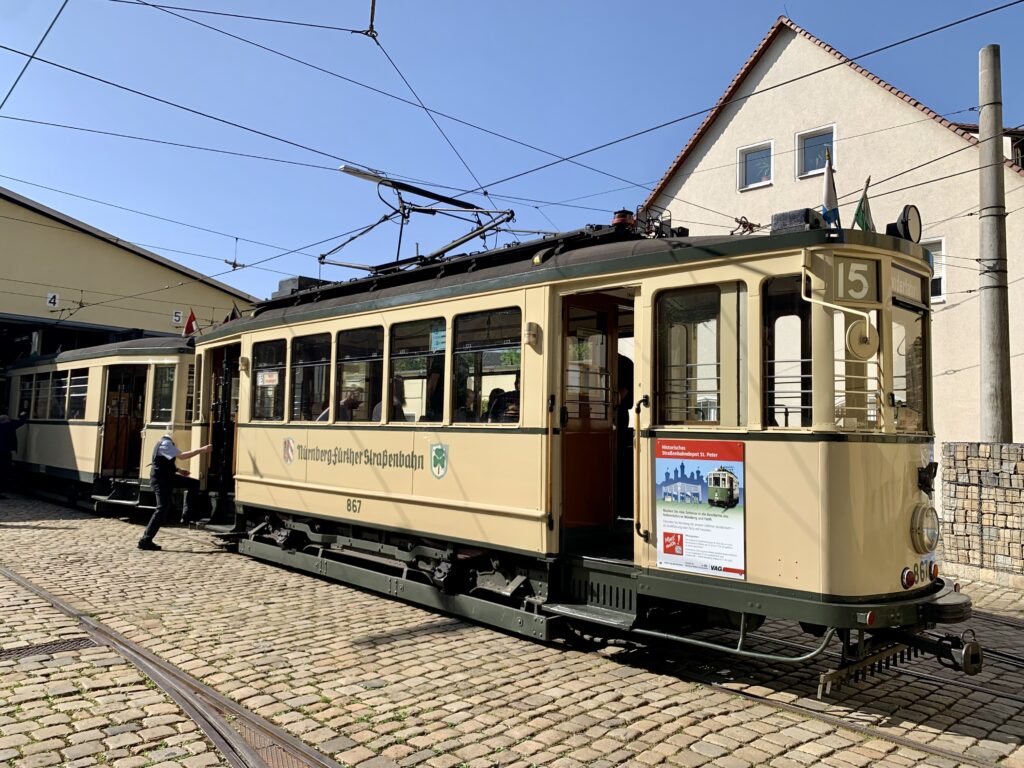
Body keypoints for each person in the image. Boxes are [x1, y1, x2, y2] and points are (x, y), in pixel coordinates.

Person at [139, 435, 212, 551]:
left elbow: (165, 462)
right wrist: (202, 450)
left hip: (167, 478)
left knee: (193, 483)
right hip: (161, 481)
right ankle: (145, 540)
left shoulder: (161, 444)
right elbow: (183, 456)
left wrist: (179, 471)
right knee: (162, 508)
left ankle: (188, 513)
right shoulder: (166, 444)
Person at [0, 412, 28, 499]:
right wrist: (23, 415)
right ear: (5, 421)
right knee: (4, 471)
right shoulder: (7, 426)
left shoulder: (3, 426)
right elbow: (20, 422)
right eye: (9, 419)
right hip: (4, 453)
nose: (10, 420)